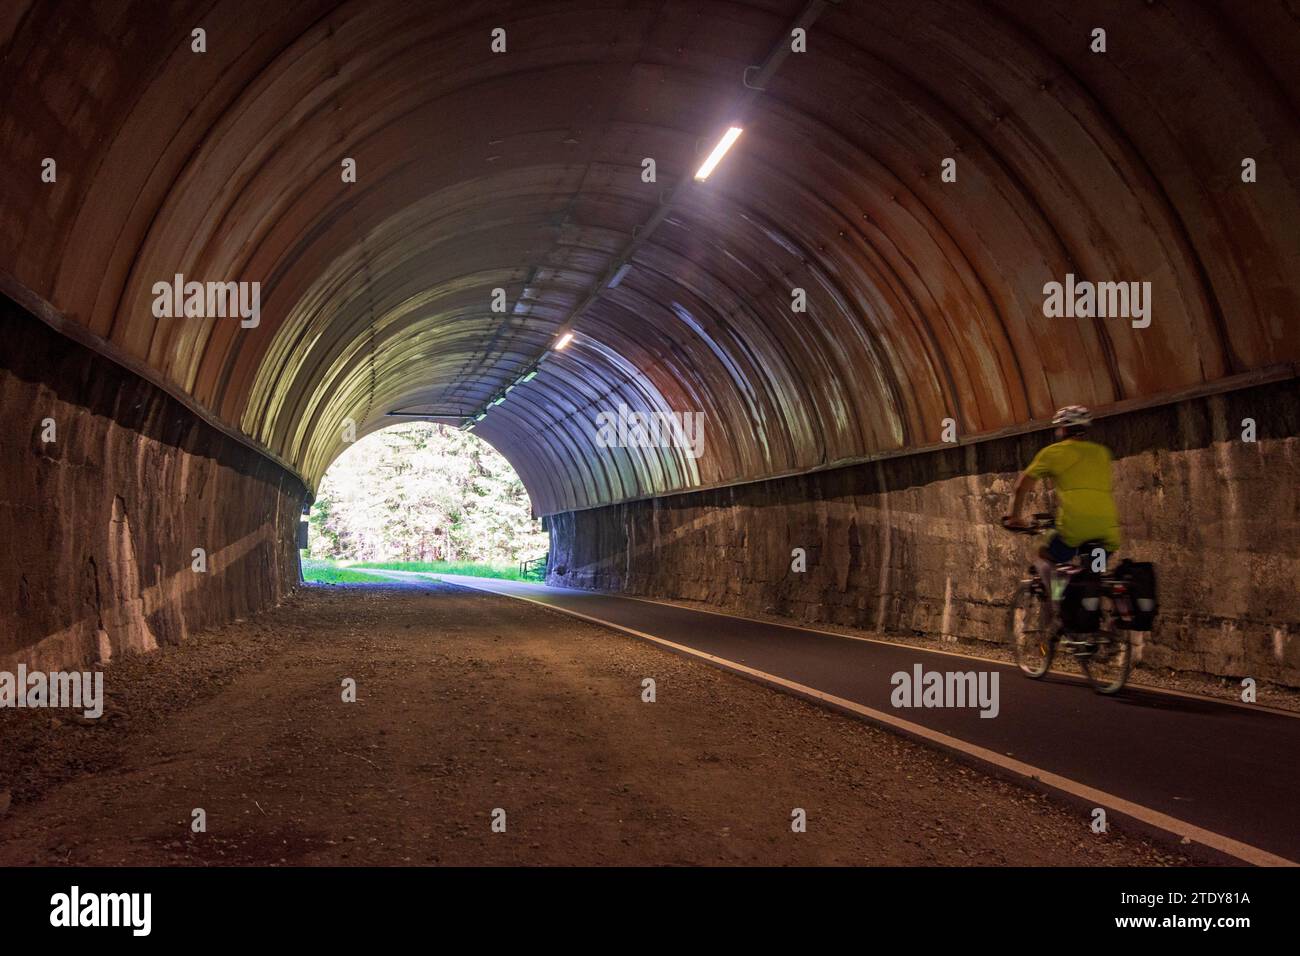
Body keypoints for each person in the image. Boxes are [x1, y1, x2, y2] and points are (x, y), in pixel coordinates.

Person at [1004, 405, 1121, 603]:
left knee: (1043, 554)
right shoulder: (1102, 452)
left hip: (1074, 529)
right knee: (1094, 576)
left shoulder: (1053, 453)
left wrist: (1014, 516)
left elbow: (1021, 487)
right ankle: (1096, 621)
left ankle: (1058, 600)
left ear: (1063, 429)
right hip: (1107, 530)